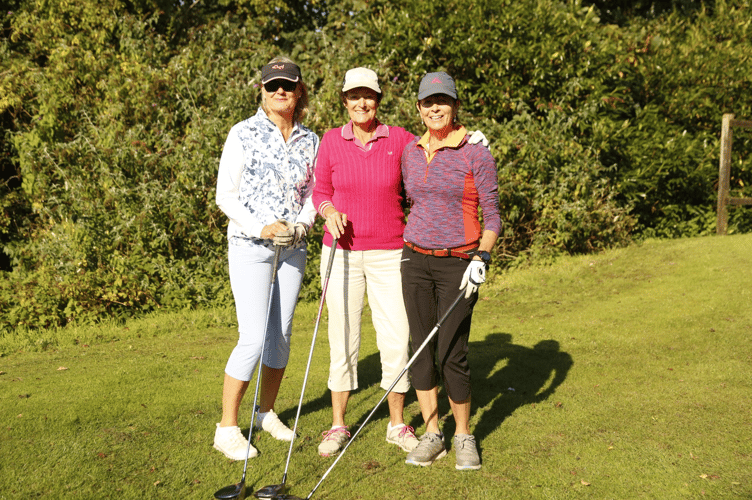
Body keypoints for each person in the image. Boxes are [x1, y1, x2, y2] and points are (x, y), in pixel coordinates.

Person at [213, 56, 319, 461]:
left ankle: (265, 412)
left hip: (293, 250)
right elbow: (227, 194)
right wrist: (262, 227)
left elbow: (313, 192)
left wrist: (304, 224)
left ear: (298, 91)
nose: (281, 91)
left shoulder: (311, 140)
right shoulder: (242, 134)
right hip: (250, 247)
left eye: (288, 85)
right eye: (273, 85)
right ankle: (226, 427)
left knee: (281, 338)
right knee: (253, 337)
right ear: (262, 89)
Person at [311, 67, 421, 457]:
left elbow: (427, 168)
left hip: (390, 251)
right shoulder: (330, 140)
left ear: (378, 100)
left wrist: (470, 145)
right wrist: (327, 210)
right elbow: (320, 190)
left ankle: (396, 424)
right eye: (354, 96)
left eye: (368, 96)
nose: (362, 102)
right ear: (344, 100)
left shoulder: (402, 139)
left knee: (395, 335)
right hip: (340, 251)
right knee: (342, 335)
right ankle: (338, 424)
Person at [400, 71, 501, 471]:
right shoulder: (410, 151)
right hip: (415, 260)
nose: (435, 107)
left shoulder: (475, 151)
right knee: (421, 349)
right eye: (428, 102)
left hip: (460, 262)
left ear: (455, 105)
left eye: (442, 101)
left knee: (452, 352)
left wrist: (482, 257)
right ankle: (432, 434)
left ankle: (463, 435)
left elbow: (492, 215)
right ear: (419, 108)